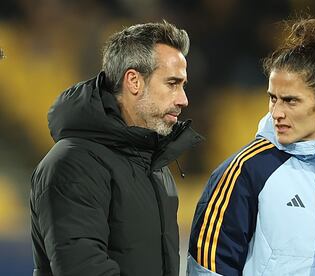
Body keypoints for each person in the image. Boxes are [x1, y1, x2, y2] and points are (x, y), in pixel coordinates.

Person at [187, 17, 315, 276]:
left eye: (290, 101)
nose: (277, 112)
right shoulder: (246, 171)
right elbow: (208, 268)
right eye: (273, 99)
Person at [30, 21, 203, 276]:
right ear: (133, 81)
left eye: (183, 85)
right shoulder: (72, 165)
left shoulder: (154, 166)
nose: (183, 99)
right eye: (172, 83)